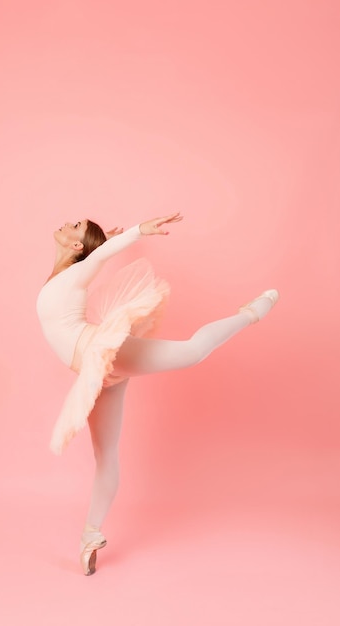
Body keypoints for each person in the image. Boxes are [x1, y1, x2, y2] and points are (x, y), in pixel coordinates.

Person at [36, 212, 279, 575]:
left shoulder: (78, 271)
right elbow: (96, 254)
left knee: (192, 352)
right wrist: (106, 239)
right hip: (94, 372)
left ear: (75, 246)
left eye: (75, 227)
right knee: (106, 456)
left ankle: (251, 313)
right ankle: (91, 535)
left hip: (101, 351)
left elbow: (98, 257)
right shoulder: (63, 272)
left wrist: (137, 232)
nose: (68, 222)